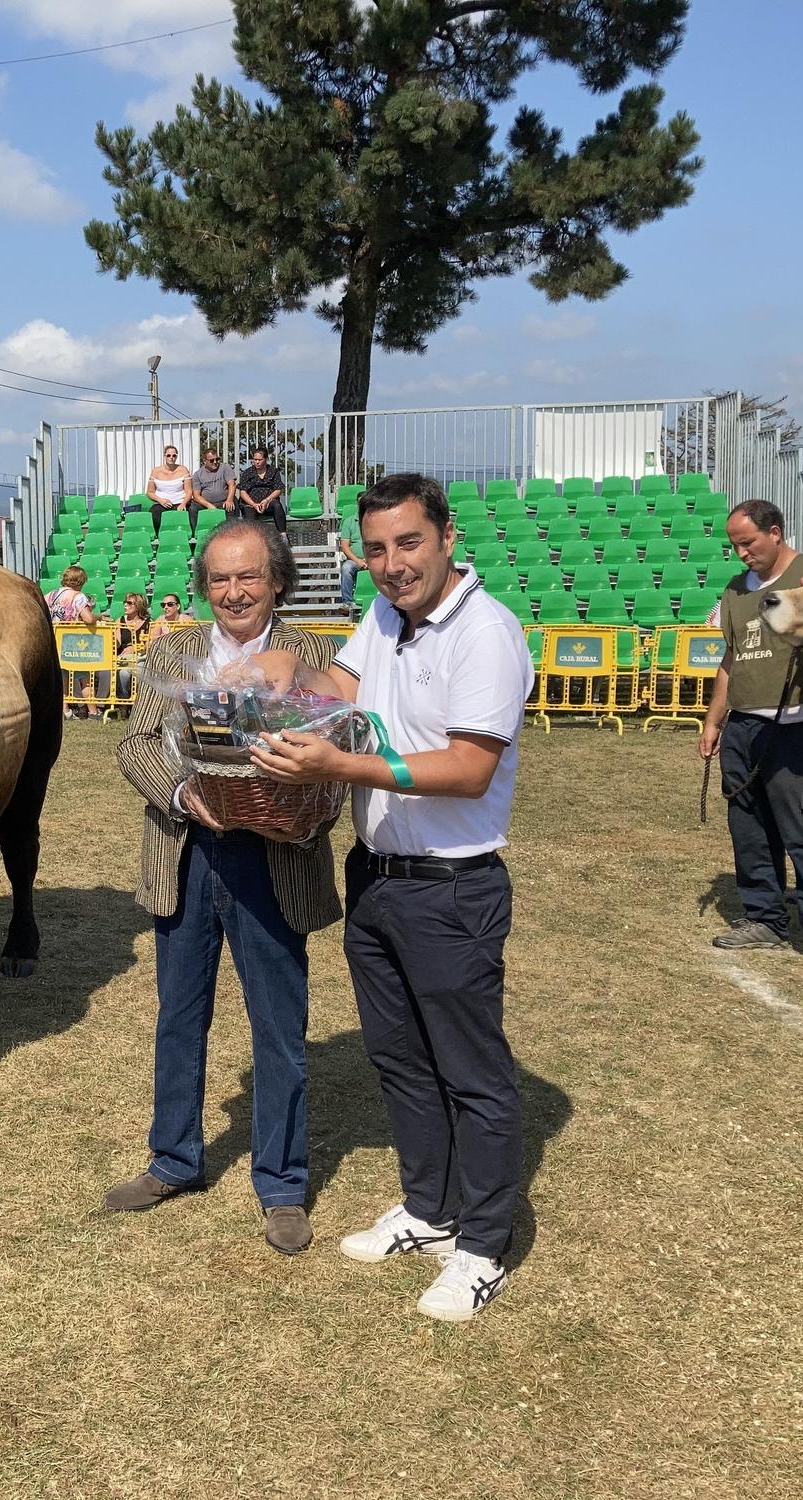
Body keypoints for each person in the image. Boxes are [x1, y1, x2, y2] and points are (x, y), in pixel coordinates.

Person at [246, 472, 535, 1321]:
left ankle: (482, 1244)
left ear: (445, 536)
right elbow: (341, 688)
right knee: (400, 1060)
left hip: (453, 887)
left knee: (472, 1074)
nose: (392, 564)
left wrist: (337, 766)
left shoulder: (485, 632)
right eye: (375, 549)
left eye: (408, 543)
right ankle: (429, 1207)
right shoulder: (385, 615)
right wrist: (284, 685)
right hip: (376, 875)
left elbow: (467, 768)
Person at [105, 520, 340, 1257]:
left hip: (272, 856)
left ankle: (282, 1184)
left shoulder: (314, 655)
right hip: (188, 851)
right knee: (179, 1016)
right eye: (219, 579)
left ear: (276, 580)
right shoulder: (173, 651)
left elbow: (335, 746)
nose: (234, 592)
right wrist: (181, 793)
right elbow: (136, 742)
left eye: (248, 576)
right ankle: (173, 1159)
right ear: (205, 586)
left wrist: (303, 798)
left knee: (277, 1026)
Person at [698, 499, 803, 977]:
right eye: (735, 546)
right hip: (745, 724)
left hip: (799, 726)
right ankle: (764, 917)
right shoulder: (735, 590)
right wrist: (713, 720)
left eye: (748, 543)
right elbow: (732, 659)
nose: (741, 553)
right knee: (749, 828)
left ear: (776, 533)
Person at [45, 564, 99, 719]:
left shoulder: (51, 595)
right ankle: (94, 712)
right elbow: (88, 618)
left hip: (55, 641)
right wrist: (99, 617)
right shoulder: (78, 596)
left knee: (61, 679)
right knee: (85, 678)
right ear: (80, 581)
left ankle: (65, 711)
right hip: (74, 641)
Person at [235, 448, 288, 534]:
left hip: (268, 503)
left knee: (277, 506)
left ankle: (283, 535)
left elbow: (278, 489)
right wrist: (253, 504)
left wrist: (266, 500)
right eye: (255, 459)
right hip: (250, 504)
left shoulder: (273, 471)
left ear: (266, 459)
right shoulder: (247, 473)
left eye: (260, 460)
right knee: (250, 520)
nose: (257, 462)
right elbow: (243, 492)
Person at [146, 445, 195, 535]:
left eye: (174, 455)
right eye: (168, 455)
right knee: (154, 513)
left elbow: (189, 491)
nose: (171, 458)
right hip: (161, 504)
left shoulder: (183, 470)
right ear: (164, 456)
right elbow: (149, 492)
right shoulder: (155, 471)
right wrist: (160, 500)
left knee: (187, 514)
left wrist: (183, 503)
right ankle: (159, 538)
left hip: (179, 503)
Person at [189, 448, 236, 515]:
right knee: (193, 508)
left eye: (217, 459)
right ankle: (194, 526)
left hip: (224, 502)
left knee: (231, 506)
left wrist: (229, 499)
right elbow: (196, 496)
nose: (215, 462)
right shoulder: (197, 474)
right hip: (206, 504)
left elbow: (232, 484)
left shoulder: (225, 467)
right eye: (211, 460)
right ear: (204, 461)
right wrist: (208, 505)